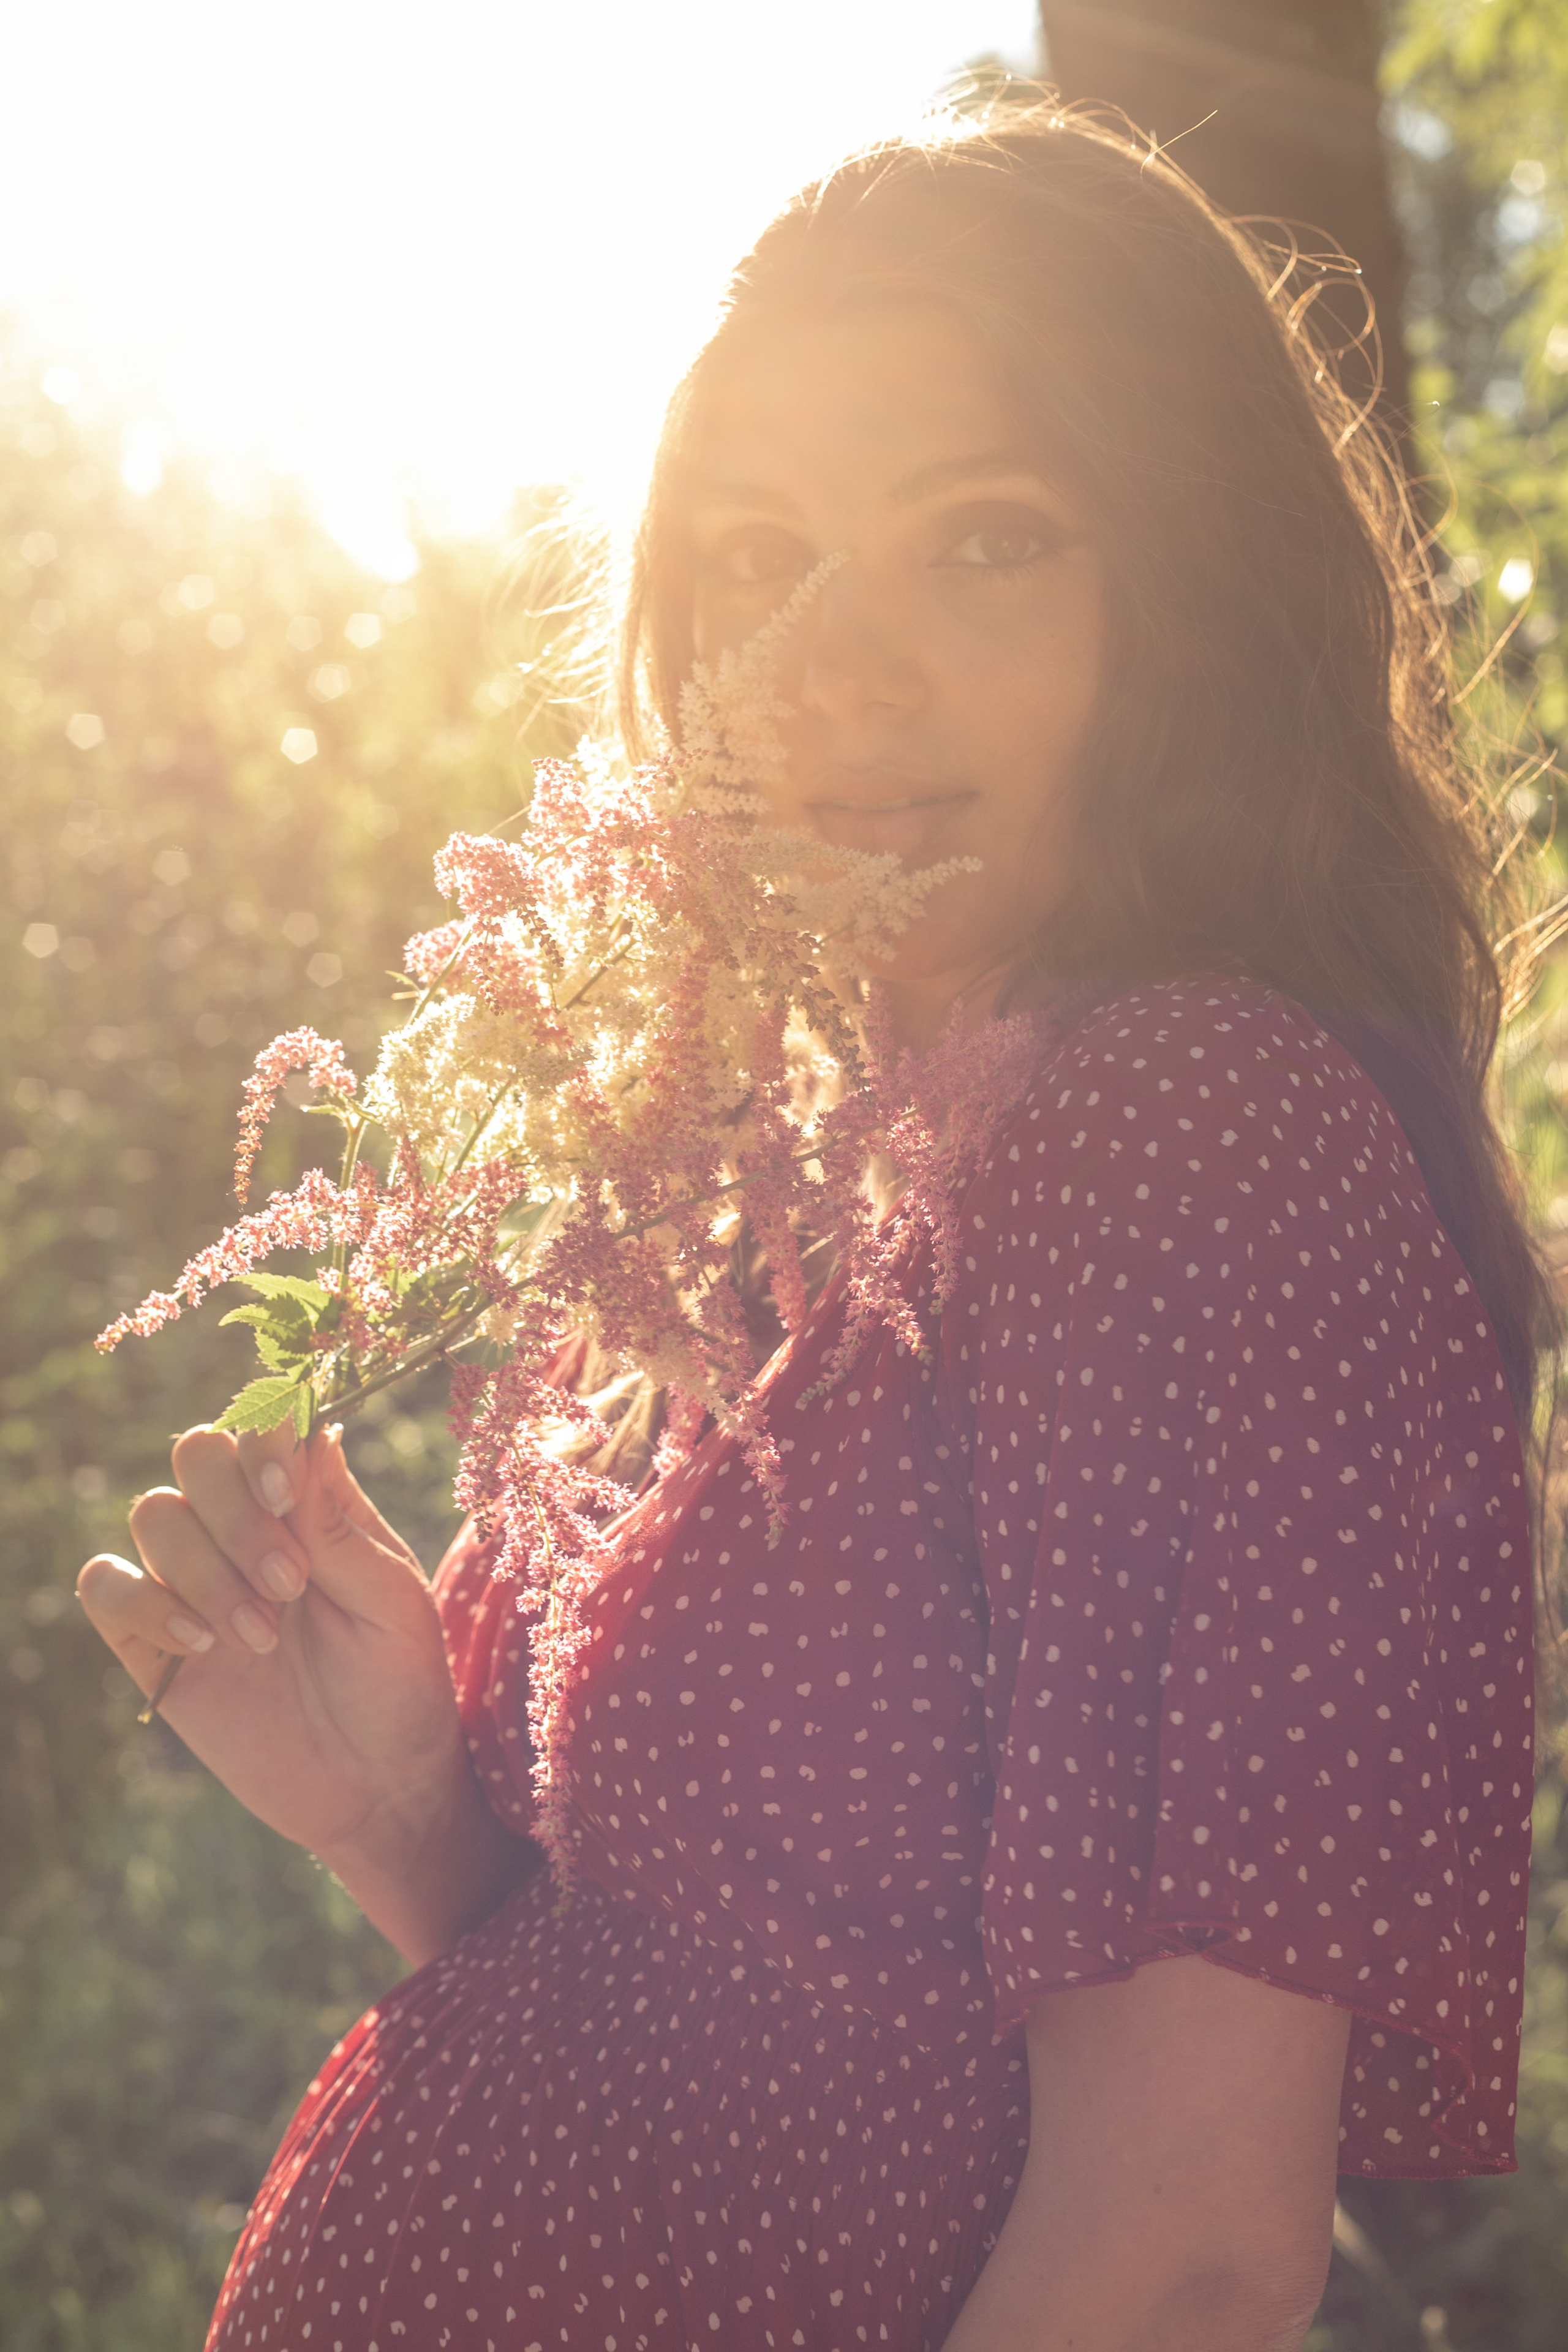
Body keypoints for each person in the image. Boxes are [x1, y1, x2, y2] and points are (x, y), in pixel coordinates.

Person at [78, 104, 1550, 2352]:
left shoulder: (1188, 1135)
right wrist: (407, 1821)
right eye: (761, 558)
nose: (831, 667)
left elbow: (1178, 2261)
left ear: (1196, 590)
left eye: (986, 539)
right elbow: (730, 2050)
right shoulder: (775, 1152)